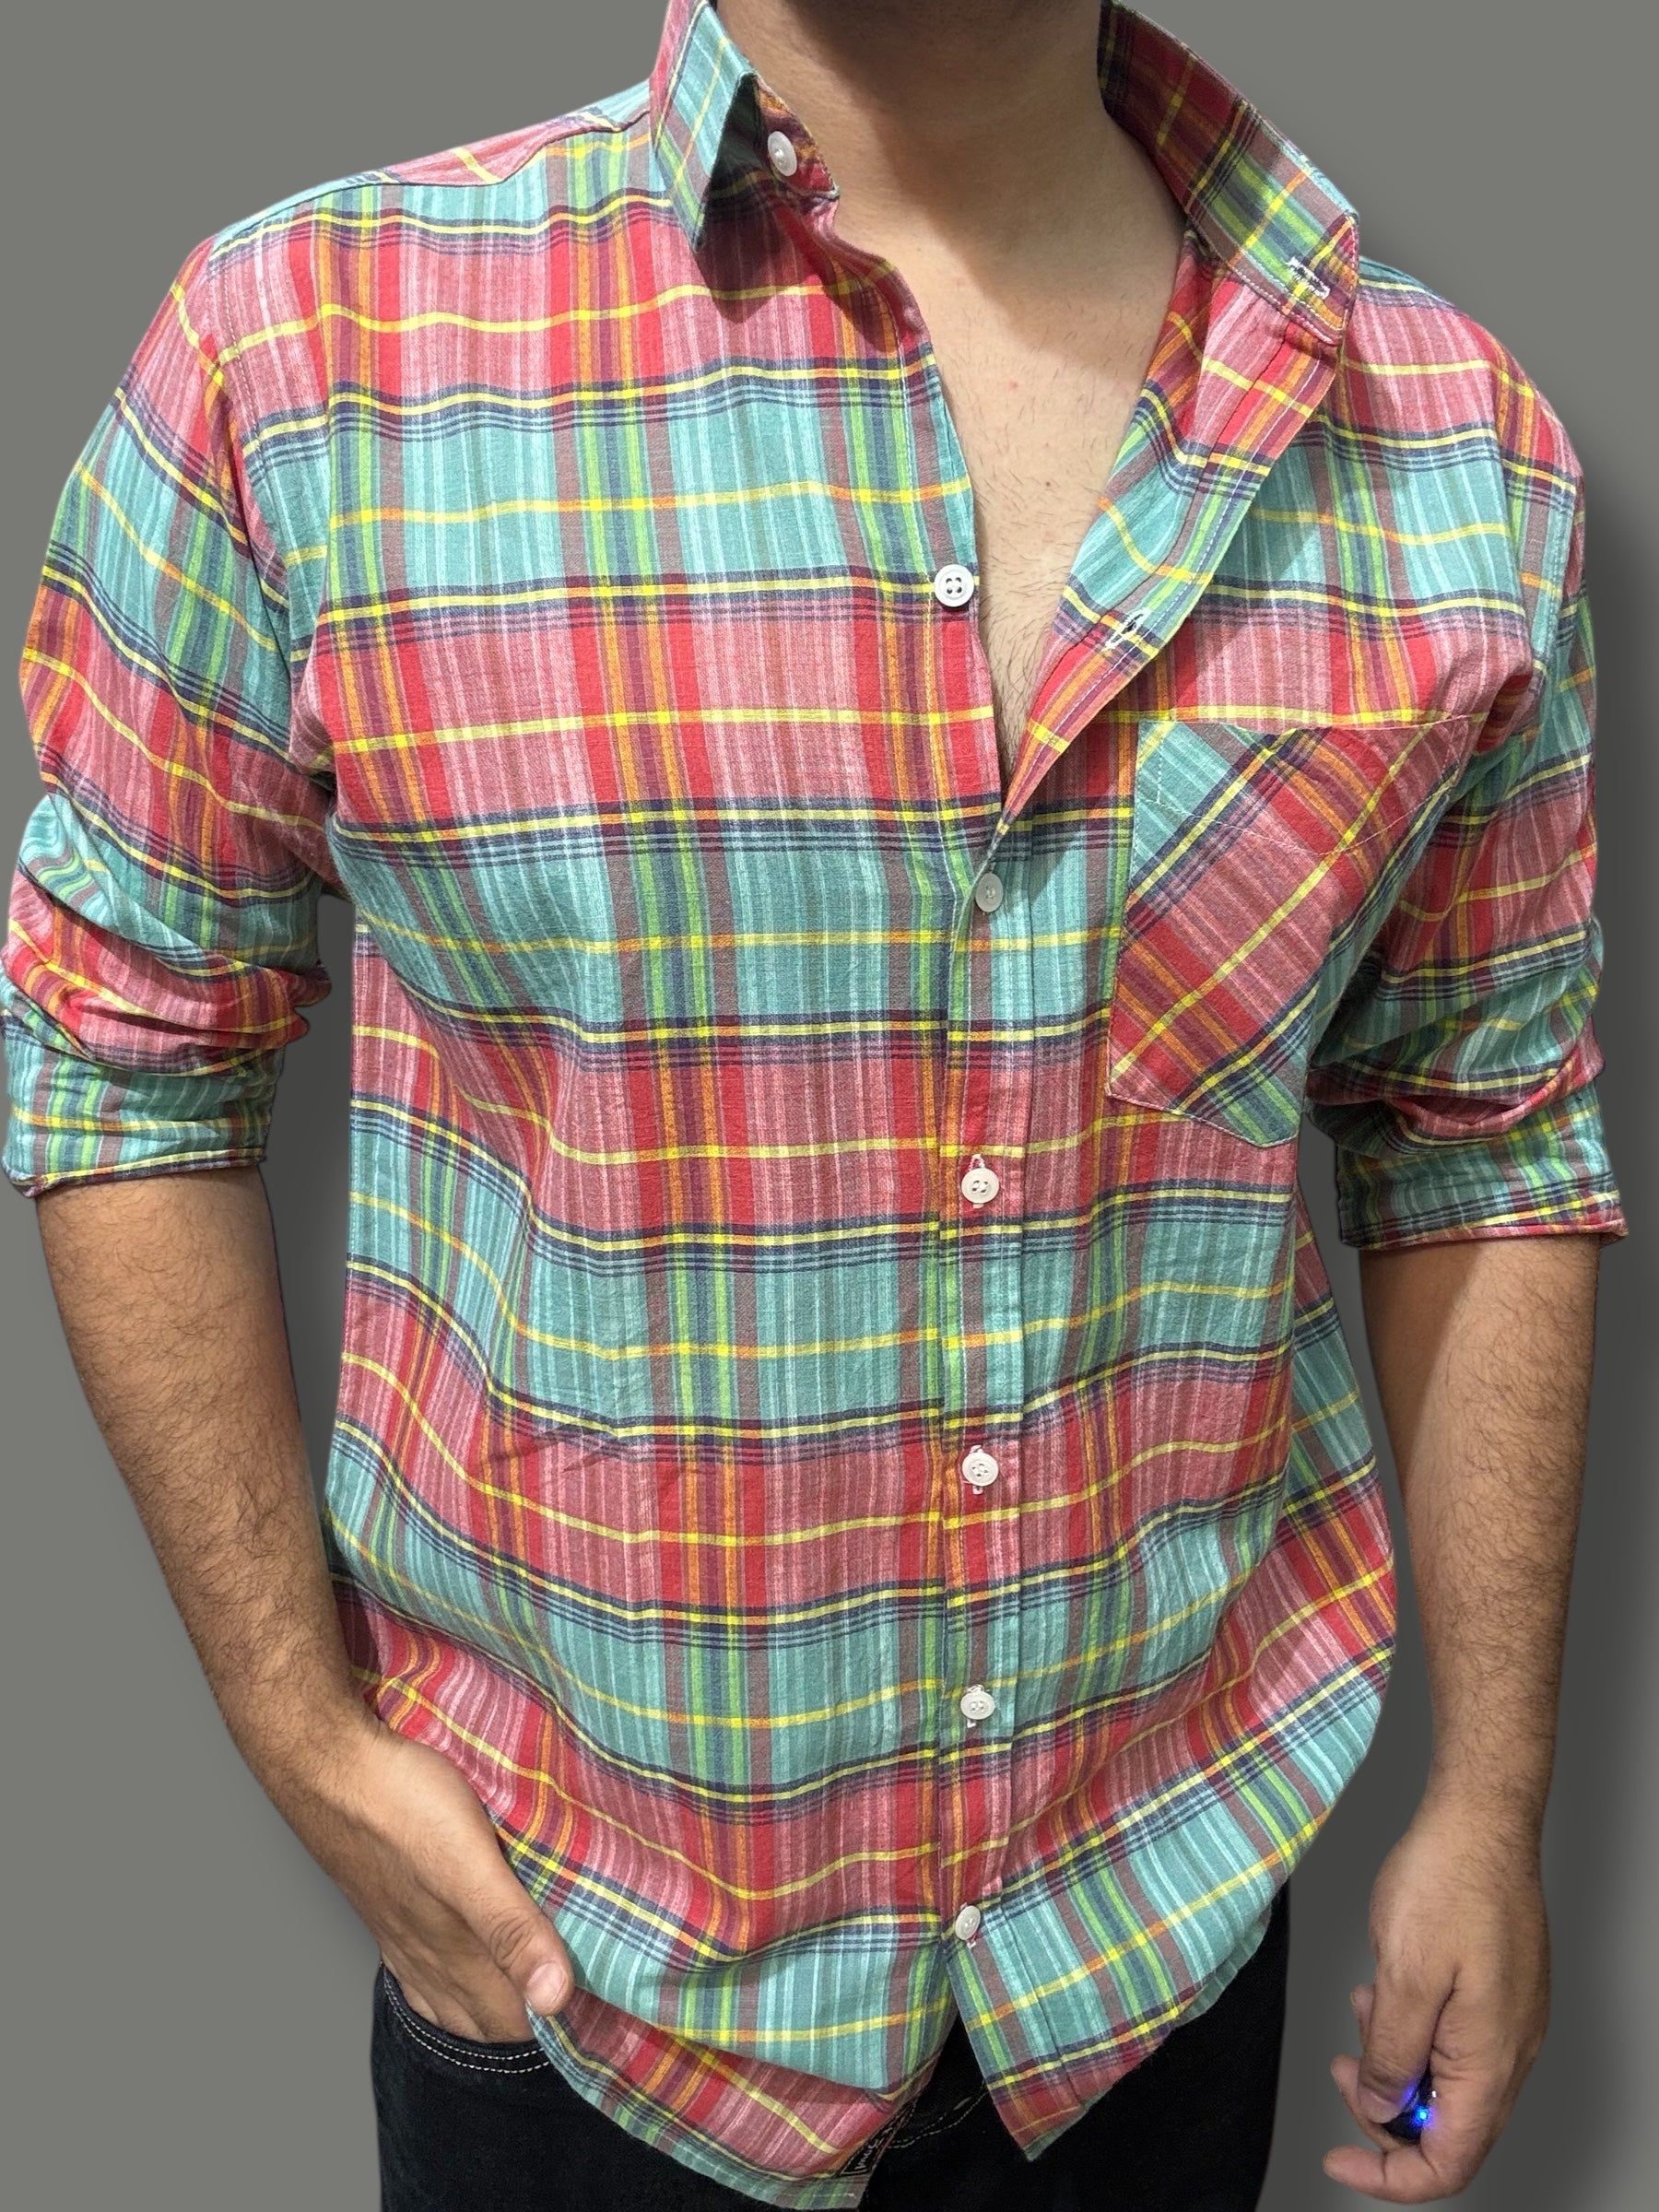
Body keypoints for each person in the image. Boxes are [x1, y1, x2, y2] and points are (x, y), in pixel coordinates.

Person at [0, 0, 1626, 2205]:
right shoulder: (306, 352)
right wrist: (292, 1723)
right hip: (571, 1982)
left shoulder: (1456, 446)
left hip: (1158, 1961)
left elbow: (1480, 1133)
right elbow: (125, 1048)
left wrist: (1490, 1801)